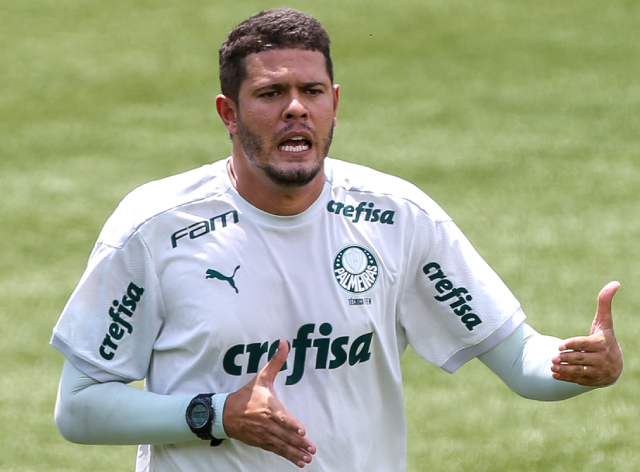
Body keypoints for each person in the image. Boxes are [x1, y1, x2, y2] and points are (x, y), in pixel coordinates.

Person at [51, 8, 623, 472]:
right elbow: (79, 408)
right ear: (229, 112)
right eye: (271, 93)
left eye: (312, 91)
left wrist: (574, 365)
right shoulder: (156, 228)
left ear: (335, 103)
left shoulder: (397, 217)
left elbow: (520, 357)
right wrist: (217, 414)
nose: (296, 108)